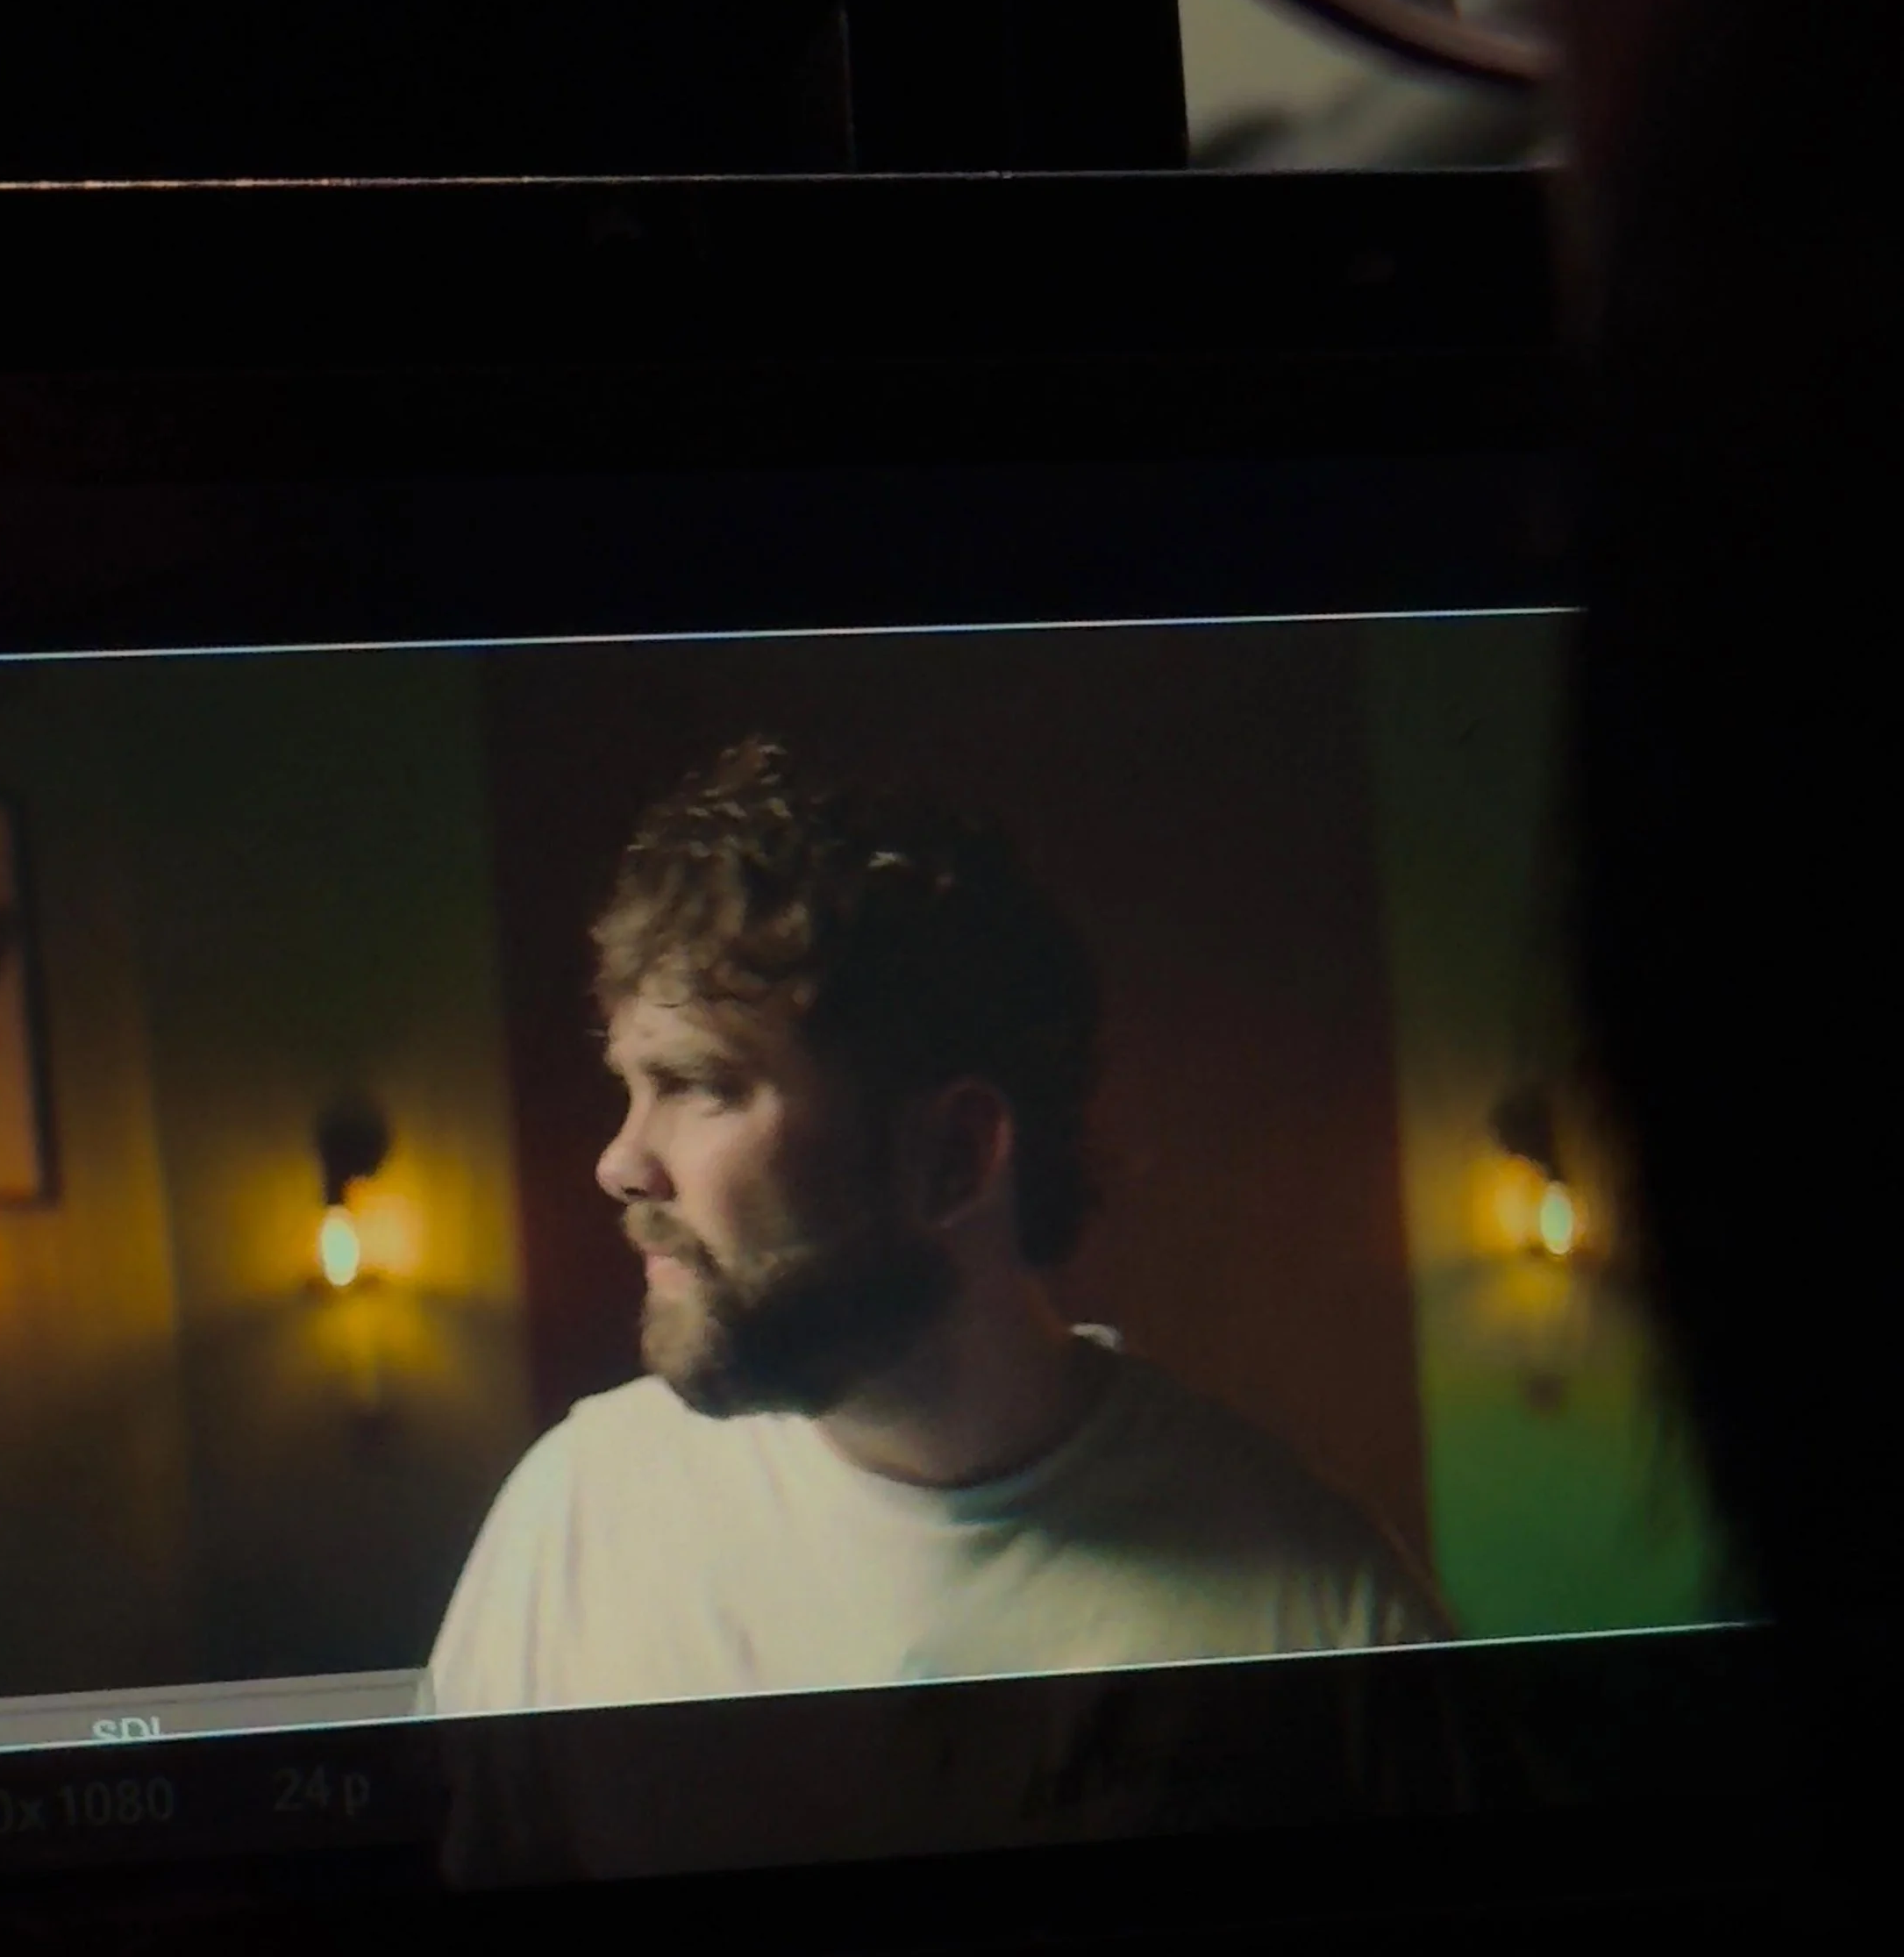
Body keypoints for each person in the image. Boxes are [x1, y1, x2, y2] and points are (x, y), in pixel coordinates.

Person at [423, 734, 1446, 1726]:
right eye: (631, 1087)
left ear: (955, 1154)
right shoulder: (577, 1519)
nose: (619, 1163)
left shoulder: (1324, 1623)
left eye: (697, 1084)